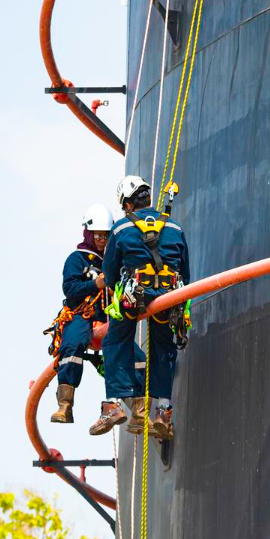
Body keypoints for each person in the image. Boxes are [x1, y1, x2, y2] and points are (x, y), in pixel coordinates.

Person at [88, 175, 192, 439]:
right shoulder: (175, 228)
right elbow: (186, 273)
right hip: (168, 297)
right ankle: (163, 412)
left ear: (127, 204)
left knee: (115, 342)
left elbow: (109, 273)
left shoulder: (121, 228)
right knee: (163, 348)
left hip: (135, 298)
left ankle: (113, 405)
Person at [46, 205, 114, 424]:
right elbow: (70, 289)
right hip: (81, 315)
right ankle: (65, 405)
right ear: (89, 234)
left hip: (109, 319)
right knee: (72, 345)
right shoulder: (77, 259)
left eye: (106, 235)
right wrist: (96, 284)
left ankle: (139, 408)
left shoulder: (115, 262)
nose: (102, 240)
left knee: (132, 354)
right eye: (98, 235)